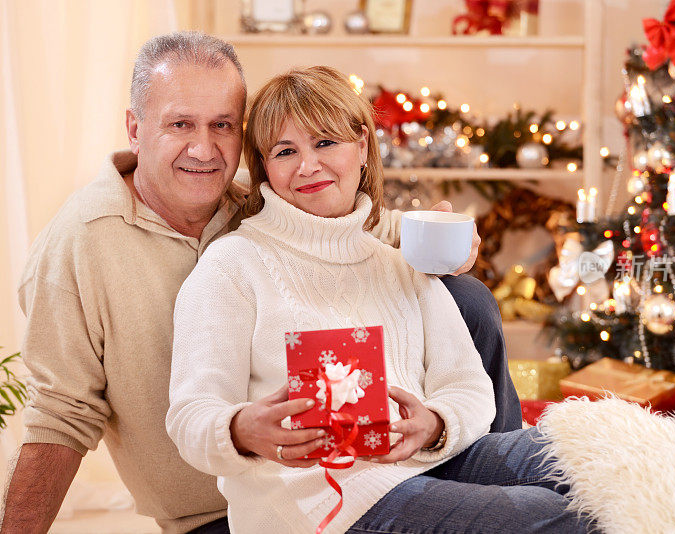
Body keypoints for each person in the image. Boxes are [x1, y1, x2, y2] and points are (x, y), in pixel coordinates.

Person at [2, 32, 518, 534]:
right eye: (180, 124)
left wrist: (444, 240)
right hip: (222, 512)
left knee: (465, 298)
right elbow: (61, 415)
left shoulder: (263, 193)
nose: (203, 150)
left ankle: (482, 471)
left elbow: (361, 228)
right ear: (134, 128)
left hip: (361, 471)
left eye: (223, 125)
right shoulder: (78, 245)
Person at [166, 65, 587, 534]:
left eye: (325, 142)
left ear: (363, 147)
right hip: (320, 502)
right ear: (265, 167)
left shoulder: (397, 260)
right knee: (545, 516)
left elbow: (467, 386)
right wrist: (243, 429)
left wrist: (435, 424)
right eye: (286, 151)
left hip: (425, 465)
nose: (308, 166)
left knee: (589, 466)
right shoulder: (233, 266)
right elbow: (190, 416)